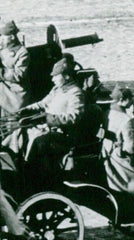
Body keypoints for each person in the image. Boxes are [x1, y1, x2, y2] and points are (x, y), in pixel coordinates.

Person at [15, 55, 85, 187]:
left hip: (63, 135)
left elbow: (74, 117)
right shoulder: (57, 90)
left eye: (55, 76)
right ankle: (22, 170)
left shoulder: (76, 93)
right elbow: (42, 103)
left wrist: (48, 118)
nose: (52, 79)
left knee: (39, 142)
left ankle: (39, 180)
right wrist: (25, 110)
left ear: (66, 76)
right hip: (48, 129)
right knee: (18, 132)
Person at [0, 19, 31, 117]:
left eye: (4, 37)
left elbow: (18, 75)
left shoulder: (22, 53)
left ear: (12, 37)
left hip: (14, 93)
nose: (1, 39)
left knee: (14, 122)